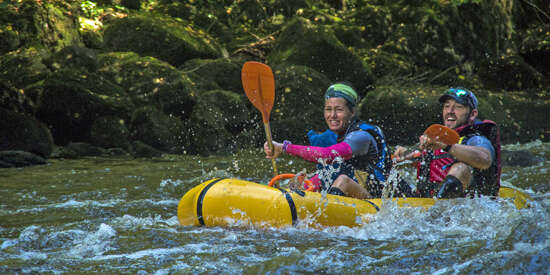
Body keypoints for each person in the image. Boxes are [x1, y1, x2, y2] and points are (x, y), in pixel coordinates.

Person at [263, 82, 402, 199]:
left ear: (352, 112)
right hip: (361, 191)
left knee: (342, 181)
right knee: (306, 179)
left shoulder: (361, 136)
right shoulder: (336, 135)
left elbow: (326, 155)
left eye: (339, 110)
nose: (332, 115)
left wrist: (284, 147)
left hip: (377, 199)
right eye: (328, 109)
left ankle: (328, 216)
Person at [393, 87, 501, 198]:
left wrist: (447, 146)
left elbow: (485, 159)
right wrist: (405, 155)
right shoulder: (436, 139)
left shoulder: (476, 139)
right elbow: (426, 160)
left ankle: (438, 208)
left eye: (458, 107)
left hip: (465, 206)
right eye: (447, 106)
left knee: (461, 168)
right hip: (425, 200)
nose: (450, 111)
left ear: (473, 114)